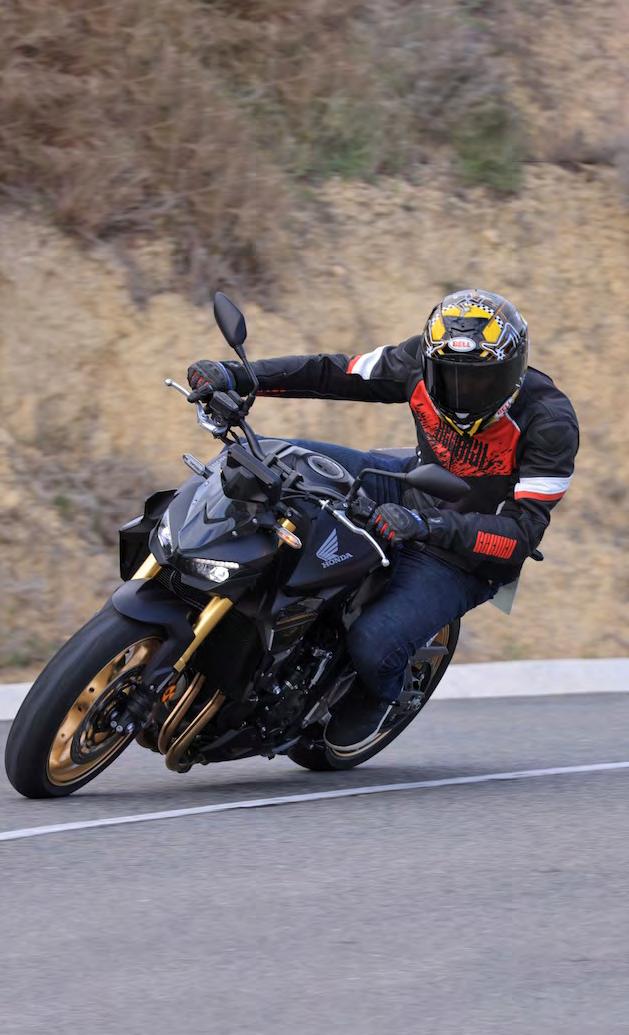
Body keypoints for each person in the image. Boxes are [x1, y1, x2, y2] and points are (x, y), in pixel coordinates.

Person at [187, 289, 579, 753]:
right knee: (271, 458)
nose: (461, 392)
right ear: (429, 362)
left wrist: (426, 526)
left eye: (478, 380)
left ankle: (384, 696)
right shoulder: (417, 360)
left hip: (464, 554)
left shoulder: (550, 422)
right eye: (448, 375)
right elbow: (333, 373)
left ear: (513, 372)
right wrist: (237, 375)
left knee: (374, 644)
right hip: (406, 485)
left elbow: (520, 536)